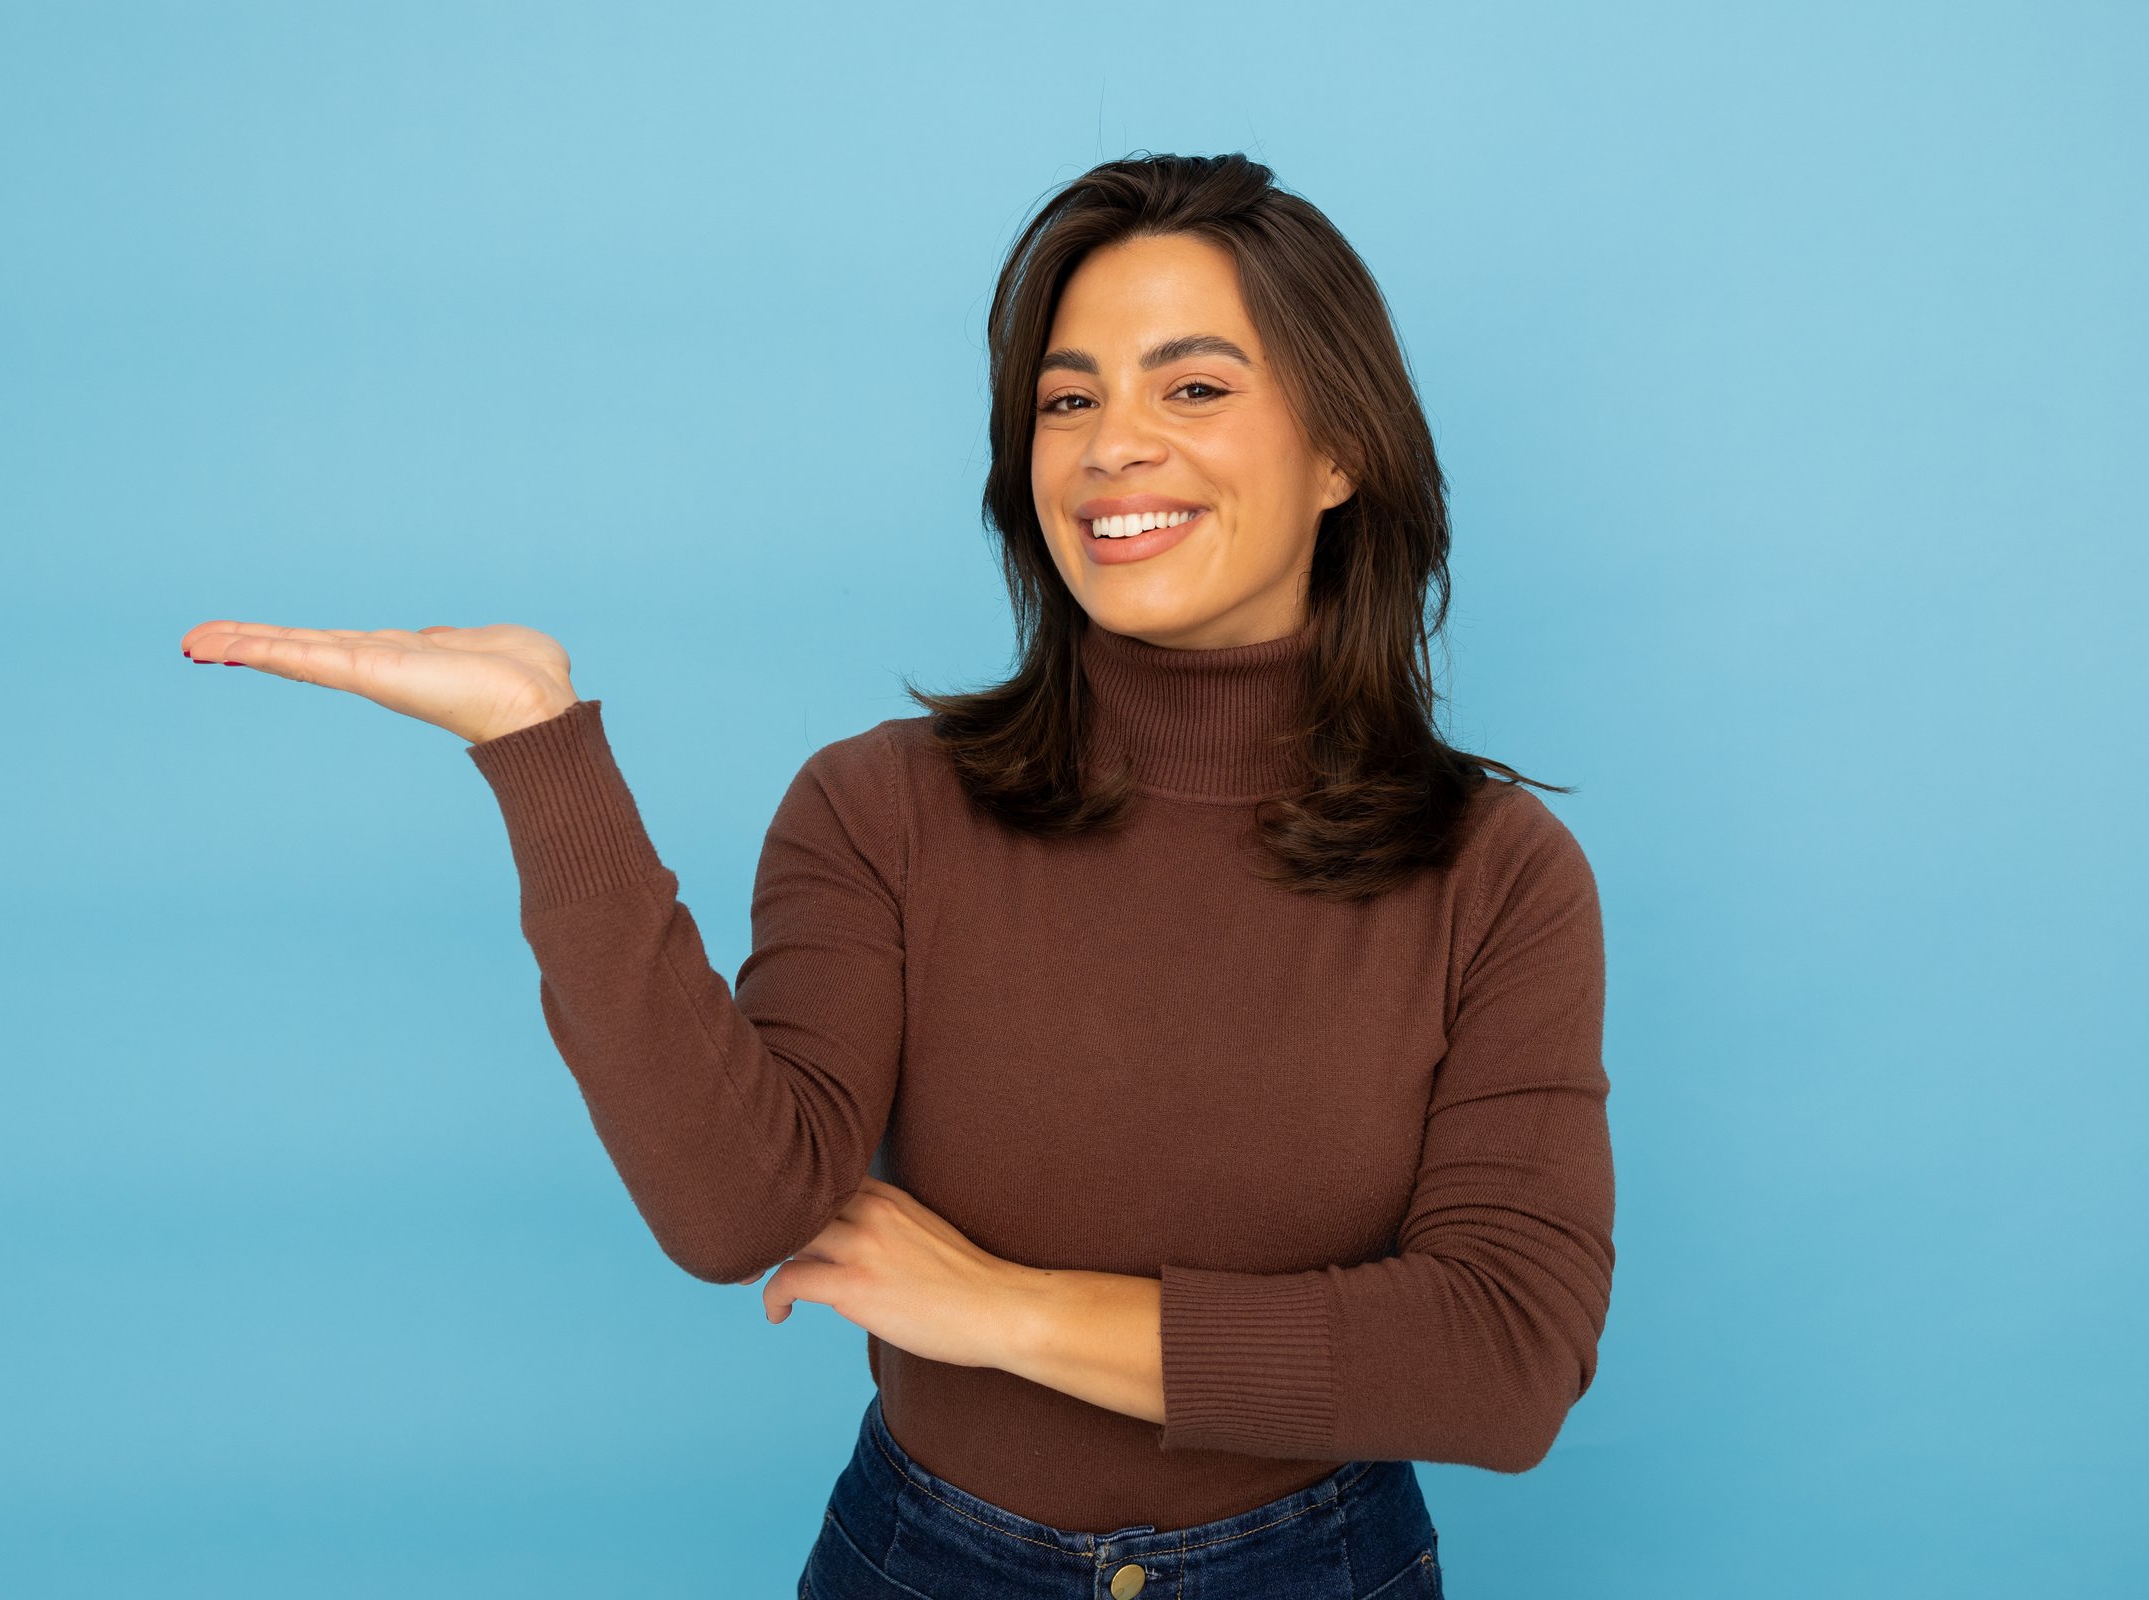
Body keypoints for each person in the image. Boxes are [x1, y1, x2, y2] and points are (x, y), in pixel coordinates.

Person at [180, 152, 1613, 1599]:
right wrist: (544, 755)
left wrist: (1007, 1315)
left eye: (1193, 389)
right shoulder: (883, 806)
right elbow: (742, 1208)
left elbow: (1504, 1360)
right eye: (1068, 399)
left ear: (1338, 451)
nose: (1113, 445)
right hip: (928, 1561)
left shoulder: (1495, 874)